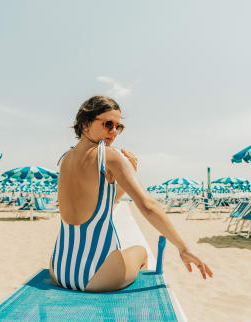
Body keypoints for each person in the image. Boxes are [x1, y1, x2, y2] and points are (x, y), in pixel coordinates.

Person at [50, 96, 212, 293]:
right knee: (142, 253)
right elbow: (148, 205)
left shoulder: (65, 159)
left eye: (118, 127)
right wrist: (183, 248)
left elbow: (101, 205)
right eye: (108, 124)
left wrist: (129, 173)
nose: (113, 132)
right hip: (97, 277)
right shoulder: (110, 156)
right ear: (85, 124)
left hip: (59, 270)